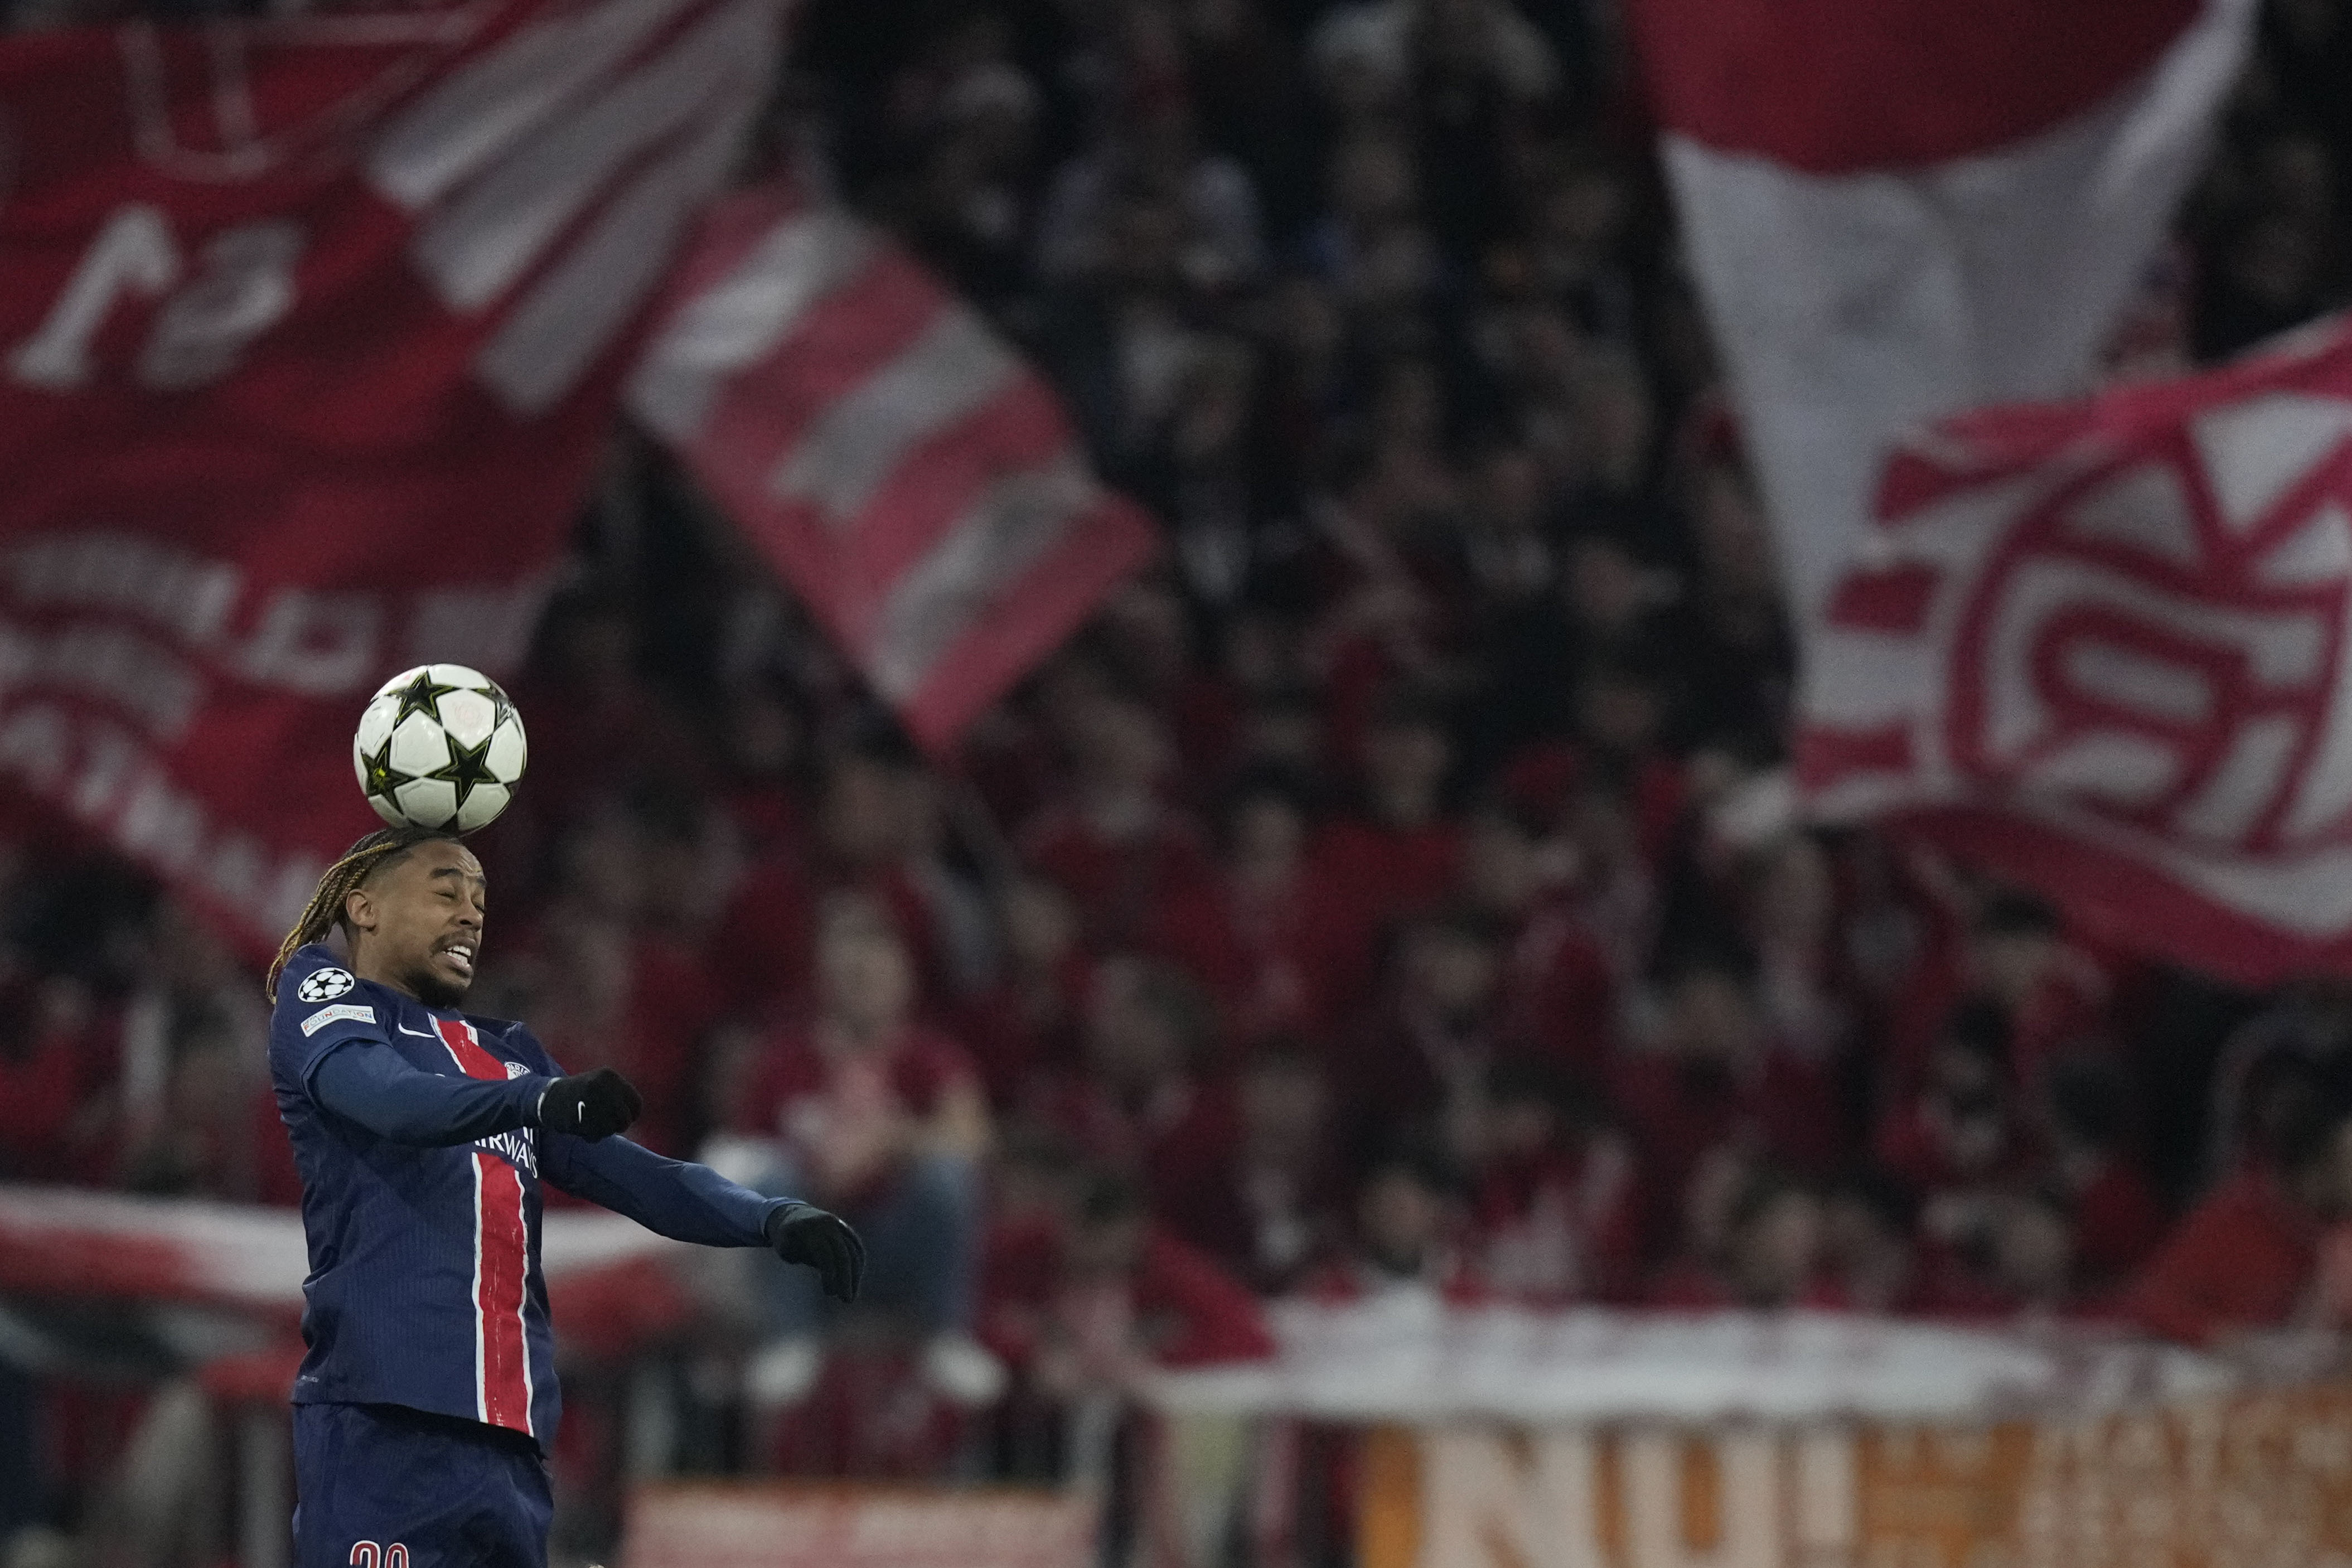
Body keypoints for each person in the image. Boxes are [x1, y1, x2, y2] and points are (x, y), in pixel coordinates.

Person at [264, 825, 864, 1568]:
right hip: (385, 1427)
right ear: (364, 907)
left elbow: (639, 1175)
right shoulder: (323, 997)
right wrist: (537, 1102)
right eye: (445, 893)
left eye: (479, 901)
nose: (469, 917)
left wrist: (770, 1218)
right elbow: (386, 1099)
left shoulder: (507, 1057)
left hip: (506, 1445)